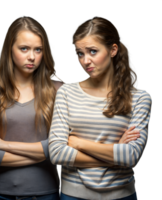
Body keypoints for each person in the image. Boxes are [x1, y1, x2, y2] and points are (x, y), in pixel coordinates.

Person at [48, 16, 153, 200]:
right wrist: (115, 150)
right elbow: (57, 153)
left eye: (93, 51)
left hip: (122, 196)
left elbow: (131, 156)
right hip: (73, 196)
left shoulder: (140, 98)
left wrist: (79, 143)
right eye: (80, 53)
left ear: (113, 49)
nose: (85, 60)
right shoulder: (66, 92)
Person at [0, 15, 64, 200]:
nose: (32, 56)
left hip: (46, 194)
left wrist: (2, 144)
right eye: (24, 48)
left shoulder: (58, 90)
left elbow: (61, 148)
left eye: (38, 49)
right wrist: (42, 155)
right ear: (9, 50)